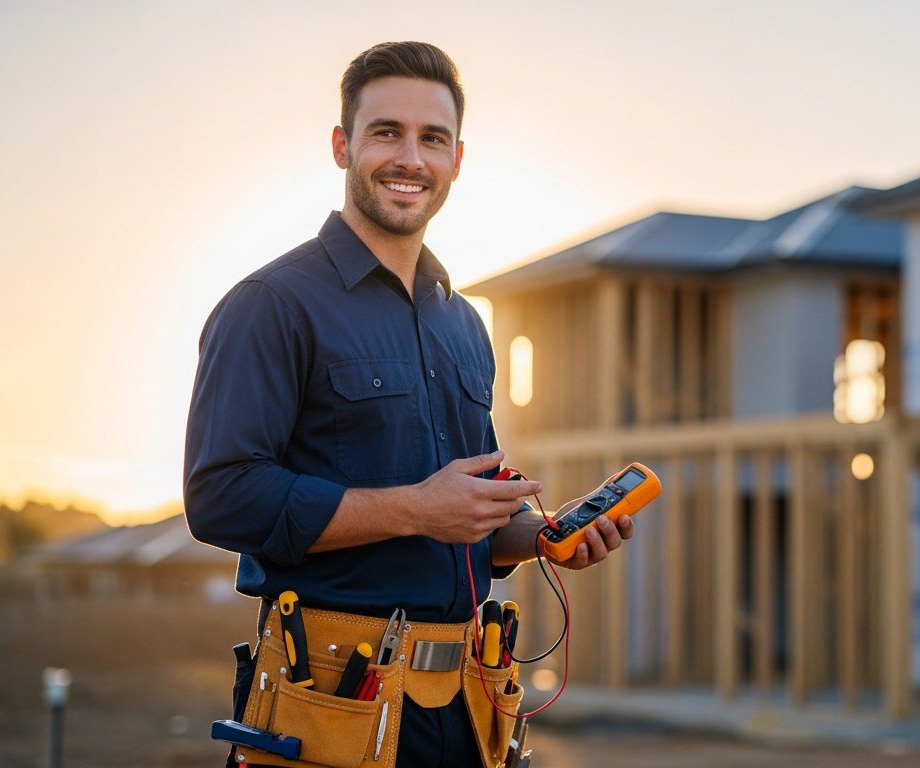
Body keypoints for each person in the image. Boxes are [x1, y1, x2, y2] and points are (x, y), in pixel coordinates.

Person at [184, 41, 634, 768]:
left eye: (433, 139)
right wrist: (416, 509)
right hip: (329, 701)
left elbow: (468, 519)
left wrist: (543, 536)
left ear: (458, 158)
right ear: (342, 145)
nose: (410, 159)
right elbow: (221, 499)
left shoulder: (465, 325)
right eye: (386, 132)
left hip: (468, 705)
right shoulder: (270, 305)